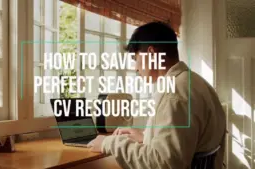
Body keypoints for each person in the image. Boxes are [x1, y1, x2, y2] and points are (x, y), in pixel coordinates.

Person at [87, 22, 226, 169]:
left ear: (152, 54)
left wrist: (108, 143)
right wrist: (146, 136)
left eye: (135, 59)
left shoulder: (174, 94)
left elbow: (162, 163)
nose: (135, 68)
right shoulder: (198, 83)